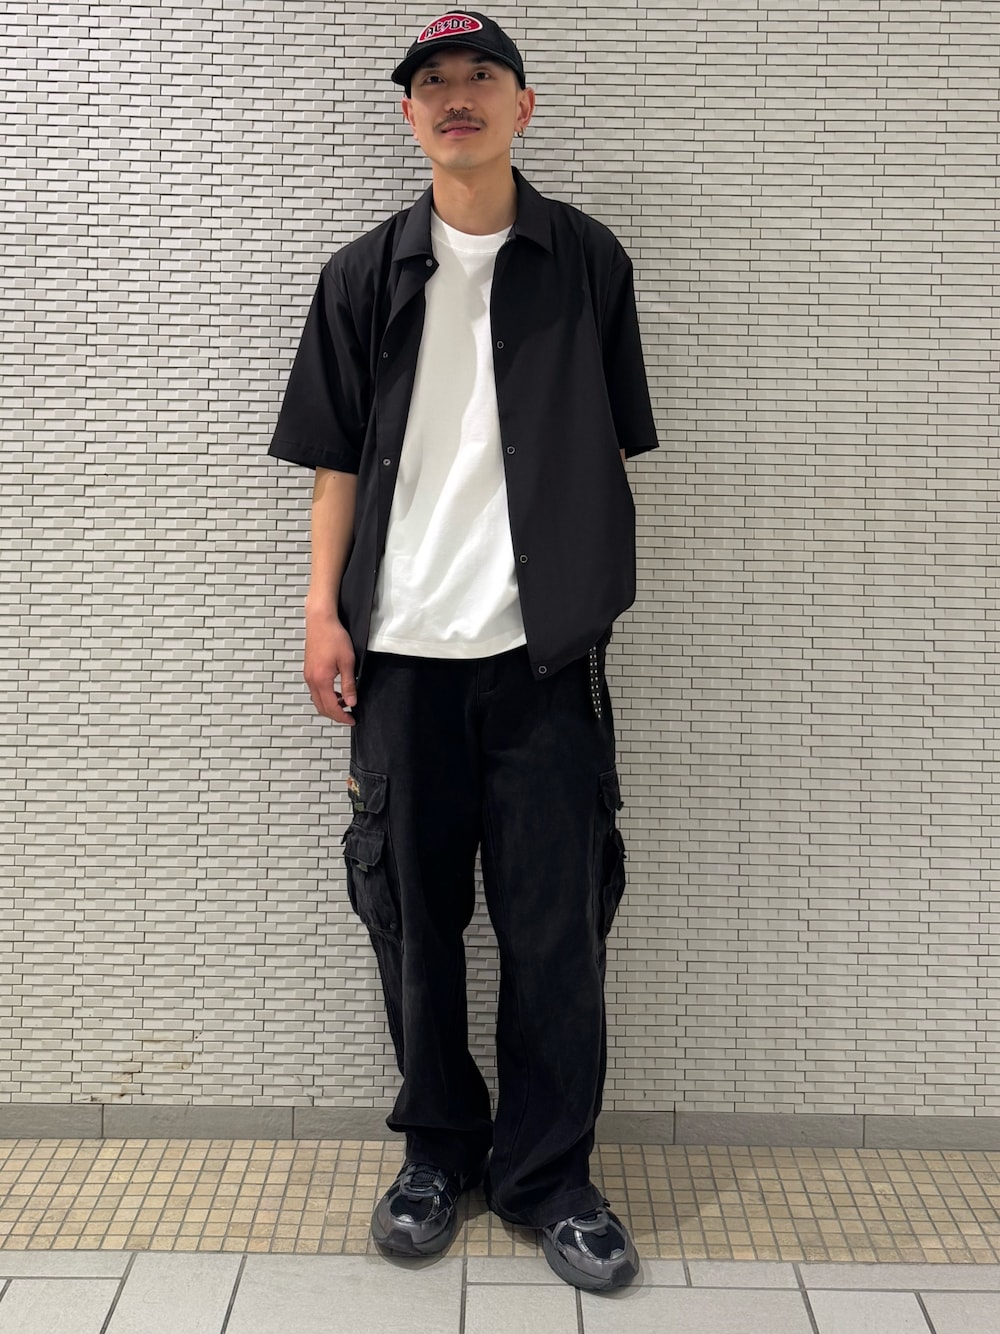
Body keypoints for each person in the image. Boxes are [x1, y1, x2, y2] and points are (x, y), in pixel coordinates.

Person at [267, 10, 658, 1291]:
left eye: (480, 75)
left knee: (557, 933)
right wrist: (322, 611)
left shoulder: (585, 261)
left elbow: (608, 446)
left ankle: (550, 1175)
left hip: (544, 664)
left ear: (522, 106)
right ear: (409, 116)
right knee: (414, 924)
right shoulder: (362, 276)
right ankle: (436, 1153)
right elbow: (333, 462)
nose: (456, 96)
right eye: (431, 82)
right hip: (399, 659)